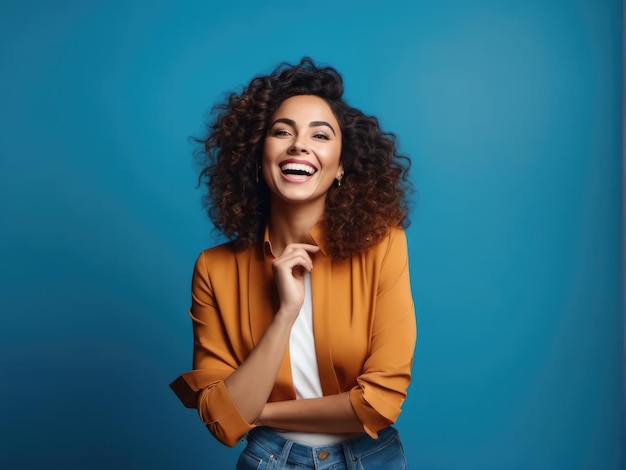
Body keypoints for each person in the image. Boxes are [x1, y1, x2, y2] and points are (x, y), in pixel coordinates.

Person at [170, 57, 417, 469]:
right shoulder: (215, 270)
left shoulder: (383, 245)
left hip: (369, 458)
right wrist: (285, 312)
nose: (299, 144)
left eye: (320, 135)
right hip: (269, 460)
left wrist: (258, 412)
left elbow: (380, 403)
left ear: (340, 167)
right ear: (258, 156)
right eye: (282, 131)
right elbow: (222, 425)